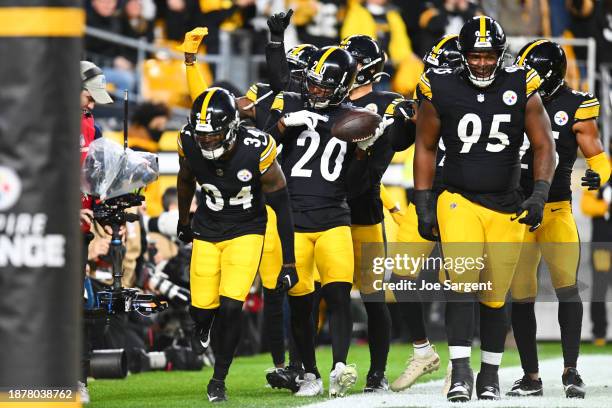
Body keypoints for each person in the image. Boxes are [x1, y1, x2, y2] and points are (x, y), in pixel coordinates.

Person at [413, 16, 555, 401]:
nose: (481, 63)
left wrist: (539, 193)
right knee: (461, 283)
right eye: (474, 56)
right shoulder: (439, 85)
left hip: (506, 205)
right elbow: (425, 146)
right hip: (458, 198)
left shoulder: (521, 83)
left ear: (500, 55)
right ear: (462, 55)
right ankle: (461, 371)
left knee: (495, 295)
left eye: (489, 56)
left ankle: (489, 374)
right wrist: (424, 202)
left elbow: (544, 145)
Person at [266, 45, 388, 397]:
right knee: (301, 303)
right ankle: (309, 372)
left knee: (337, 295)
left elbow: (354, 185)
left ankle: (338, 367)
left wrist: (366, 151)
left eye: (323, 86)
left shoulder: (355, 117)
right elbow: (258, 148)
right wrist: (282, 125)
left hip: (334, 216)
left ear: (342, 86)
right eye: (313, 83)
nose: (315, 90)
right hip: (294, 221)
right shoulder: (290, 105)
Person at [176, 87, 297, 402]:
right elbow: (185, 177)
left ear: (231, 128)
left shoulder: (256, 147)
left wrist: (289, 260)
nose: (206, 141)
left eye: (213, 135)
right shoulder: (188, 140)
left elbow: (282, 204)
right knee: (201, 311)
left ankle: (218, 378)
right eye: (202, 136)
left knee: (231, 307)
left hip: (246, 230)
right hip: (207, 230)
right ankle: (202, 325)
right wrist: (183, 221)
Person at [507, 39, 610, 399]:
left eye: (533, 72)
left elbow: (598, 156)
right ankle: (531, 376)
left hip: (556, 210)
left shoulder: (575, 106)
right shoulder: (512, 98)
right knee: (521, 296)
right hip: (517, 212)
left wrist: (601, 175)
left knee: (567, 290)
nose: (525, 78)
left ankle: (571, 370)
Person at [338, 34, 424, 392]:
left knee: (373, 296)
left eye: (350, 61)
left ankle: (377, 372)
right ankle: (306, 368)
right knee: (320, 293)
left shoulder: (390, 103)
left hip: (364, 206)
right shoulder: (330, 95)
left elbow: (403, 140)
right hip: (323, 205)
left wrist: (409, 118)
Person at [389, 34, 464, 394]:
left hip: (462, 199)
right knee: (400, 276)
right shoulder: (425, 92)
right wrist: (404, 121)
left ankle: (458, 365)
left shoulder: (481, 100)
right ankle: (422, 352)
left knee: (459, 287)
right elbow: (404, 142)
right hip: (425, 196)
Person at [79, 60, 114, 405]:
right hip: (45, 226)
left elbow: (93, 178)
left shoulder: (94, 128)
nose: (93, 104)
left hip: (80, 228)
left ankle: (77, 378)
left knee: (79, 303)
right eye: (90, 97)